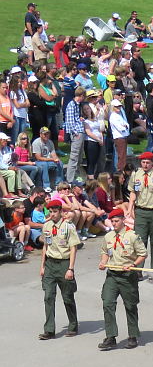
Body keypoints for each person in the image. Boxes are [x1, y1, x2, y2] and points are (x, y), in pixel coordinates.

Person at [97, 208, 148, 350]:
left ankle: (132, 335)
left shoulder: (132, 236)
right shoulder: (108, 237)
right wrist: (103, 262)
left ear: (123, 220)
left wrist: (133, 264)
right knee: (107, 302)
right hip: (112, 274)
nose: (114, 224)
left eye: (116, 221)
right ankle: (111, 336)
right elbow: (105, 252)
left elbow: (143, 254)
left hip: (127, 276)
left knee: (130, 305)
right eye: (112, 221)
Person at [37, 200, 81, 340]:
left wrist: (70, 269)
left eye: (55, 211)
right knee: (48, 296)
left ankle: (73, 325)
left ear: (61, 211)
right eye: (50, 211)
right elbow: (45, 246)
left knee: (67, 297)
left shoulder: (68, 226)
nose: (53, 214)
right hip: (50, 264)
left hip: (64, 263)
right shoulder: (47, 226)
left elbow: (73, 248)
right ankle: (49, 330)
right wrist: (42, 266)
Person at [32, 126, 63, 191]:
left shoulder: (50, 142)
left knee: (60, 163)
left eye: (48, 134)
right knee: (44, 165)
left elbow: (53, 154)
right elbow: (38, 158)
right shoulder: (36, 143)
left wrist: (57, 159)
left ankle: (58, 184)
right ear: (40, 134)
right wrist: (52, 159)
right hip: (37, 162)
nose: (46, 135)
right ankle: (46, 186)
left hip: (48, 161)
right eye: (44, 134)